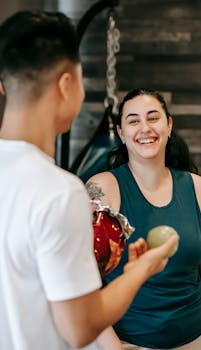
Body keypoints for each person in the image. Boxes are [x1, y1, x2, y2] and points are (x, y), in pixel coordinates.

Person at [0, 11, 178, 350]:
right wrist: (142, 269)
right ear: (67, 84)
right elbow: (80, 328)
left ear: (3, 85)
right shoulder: (59, 191)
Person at [86, 88, 201, 350]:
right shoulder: (103, 189)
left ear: (169, 125)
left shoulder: (196, 187)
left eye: (153, 117)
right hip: (126, 343)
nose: (144, 128)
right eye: (133, 120)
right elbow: (84, 280)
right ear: (122, 132)